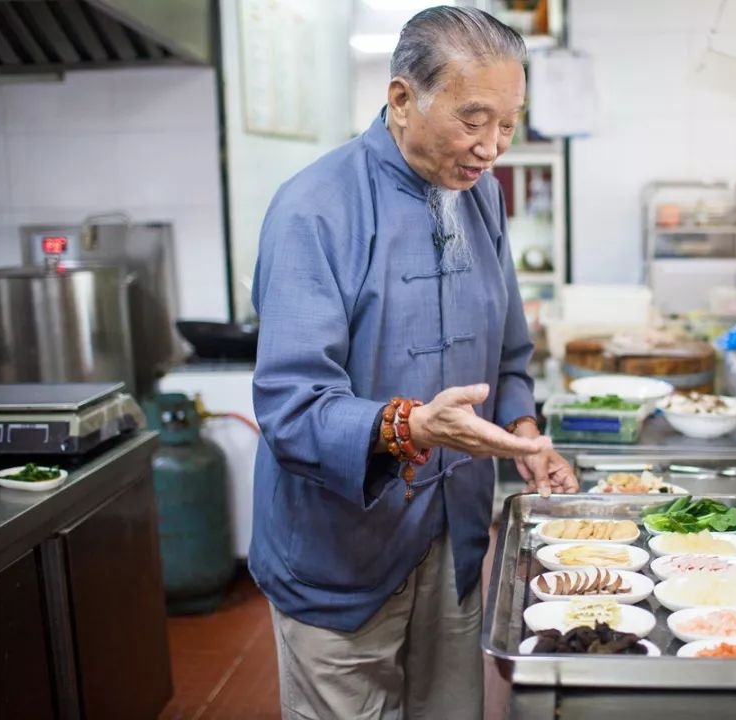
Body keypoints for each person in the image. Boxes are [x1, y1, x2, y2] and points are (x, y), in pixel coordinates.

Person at [248, 6, 578, 719]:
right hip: (341, 556)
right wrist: (415, 428)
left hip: (451, 538)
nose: (492, 148)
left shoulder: (479, 197)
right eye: (473, 119)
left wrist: (520, 430)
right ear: (402, 98)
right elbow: (291, 406)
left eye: (508, 124)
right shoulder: (315, 209)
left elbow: (511, 354)